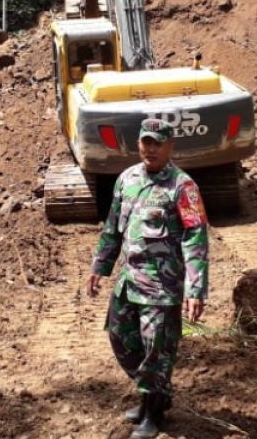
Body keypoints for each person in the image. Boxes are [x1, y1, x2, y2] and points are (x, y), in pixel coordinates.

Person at [85, 117, 209, 439]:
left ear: (170, 146)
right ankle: (151, 395)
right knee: (121, 339)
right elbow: (112, 227)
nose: (150, 149)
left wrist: (195, 289)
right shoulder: (127, 179)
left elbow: (195, 238)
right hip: (129, 281)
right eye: (146, 142)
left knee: (157, 349)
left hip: (162, 288)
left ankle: (153, 413)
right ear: (138, 143)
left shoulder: (183, 187)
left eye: (158, 143)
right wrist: (100, 267)